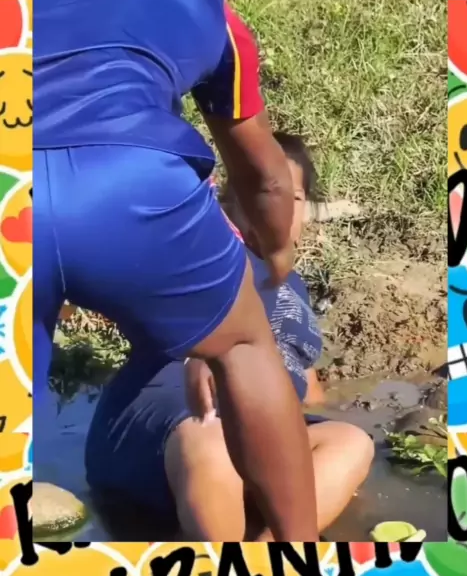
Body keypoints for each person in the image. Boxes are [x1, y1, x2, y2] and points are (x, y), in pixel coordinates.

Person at [33, 0, 319, 541]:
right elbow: (263, 175)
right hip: (132, 182)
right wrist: (276, 255)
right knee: (245, 347)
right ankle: (296, 565)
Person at [85, 132, 374, 540]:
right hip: (174, 421)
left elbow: (299, 370)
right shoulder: (200, 254)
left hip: (258, 427)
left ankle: (269, 559)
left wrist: (329, 405)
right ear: (227, 202)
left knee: (351, 442)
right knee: (216, 441)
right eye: (258, 192)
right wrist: (204, 349)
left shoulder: (292, 284)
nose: (275, 208)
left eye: (293, 198)